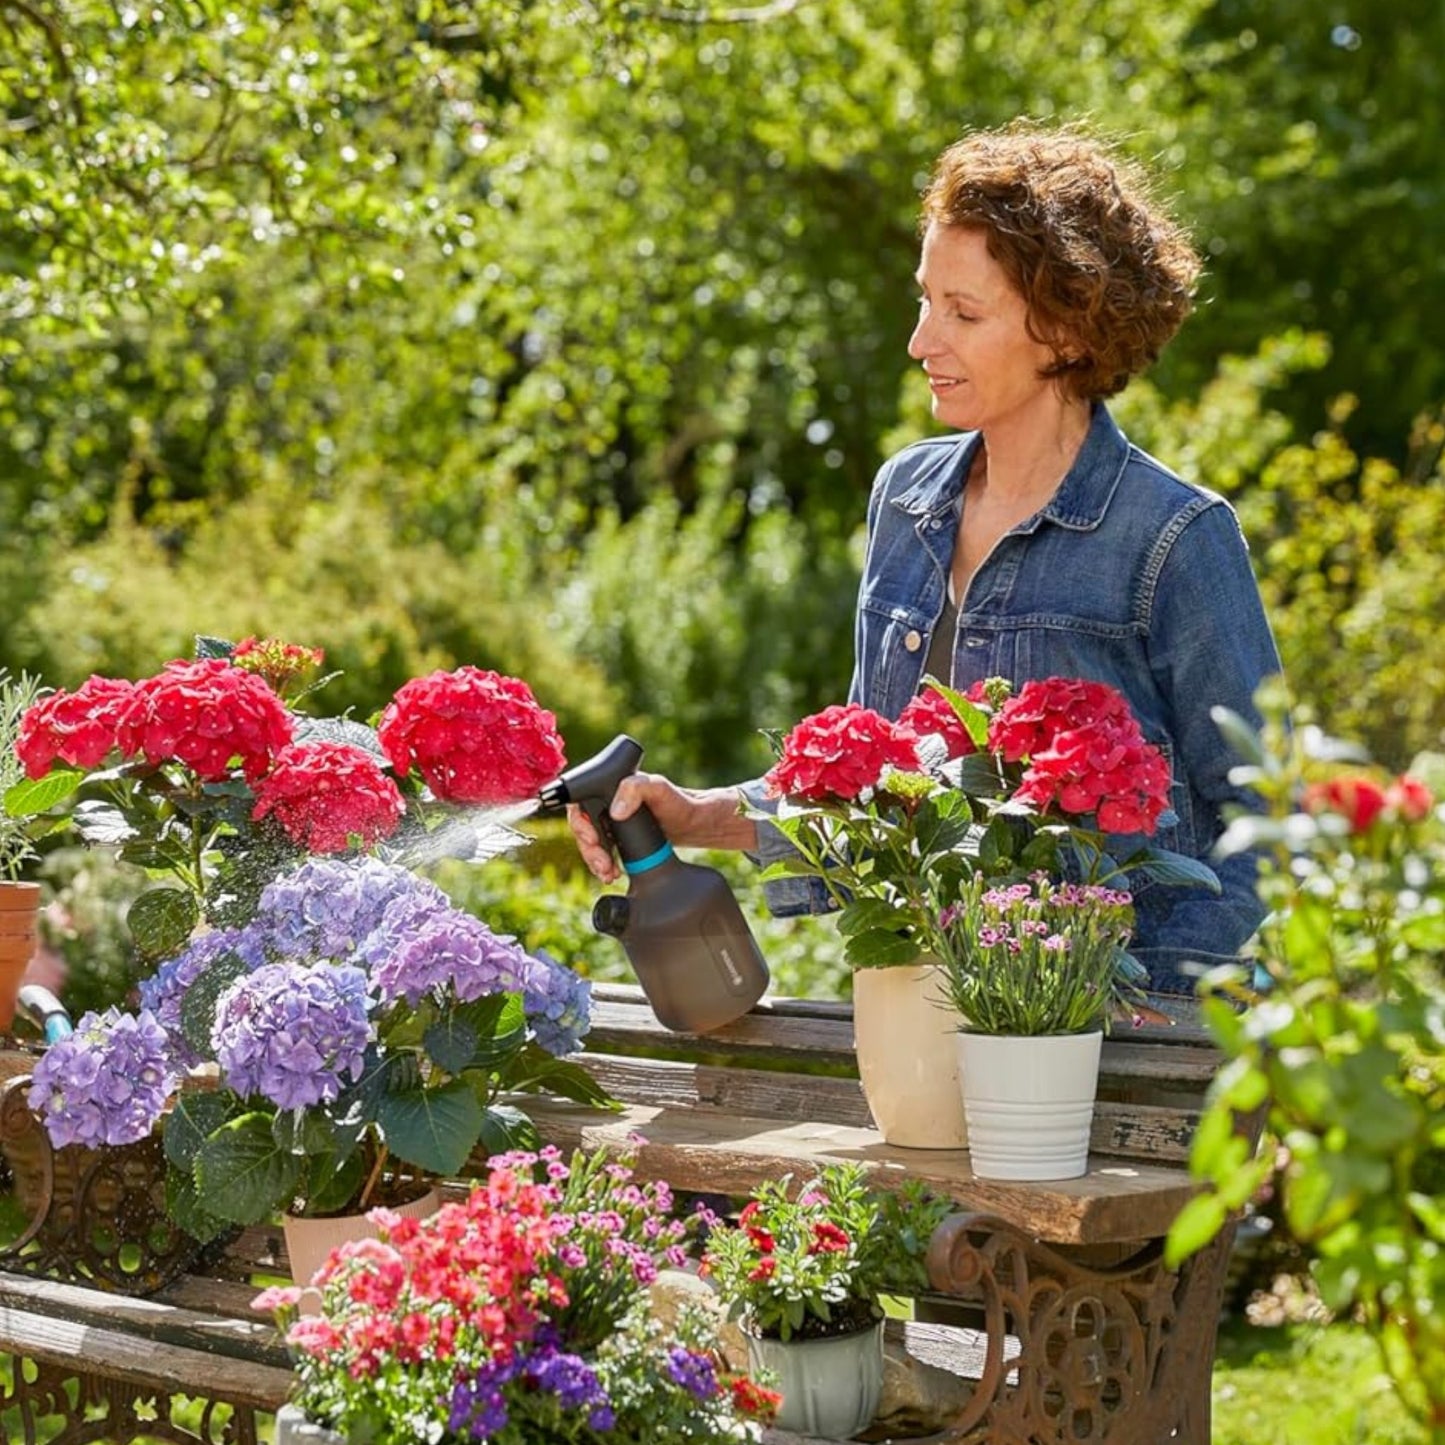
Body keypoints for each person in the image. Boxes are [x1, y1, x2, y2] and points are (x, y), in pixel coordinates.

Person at [570, 122, 1282, 1005]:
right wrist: (701, 815)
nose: (920, 342)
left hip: (1098, 1041)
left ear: (1063, 327)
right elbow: (874, 796)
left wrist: (1145, 1014)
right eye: (923, 300)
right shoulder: (905, 500)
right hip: (916, 1008)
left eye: (963, 313)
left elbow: (1270, 825)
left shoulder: (1173, 537)